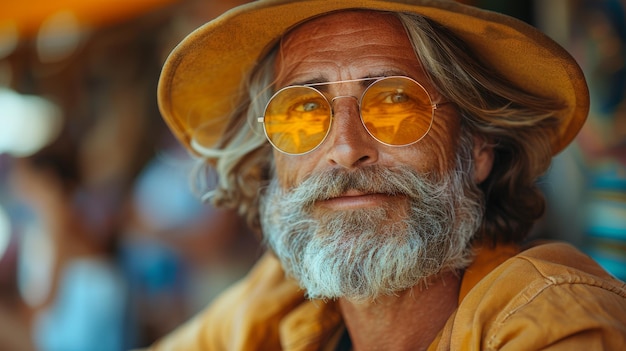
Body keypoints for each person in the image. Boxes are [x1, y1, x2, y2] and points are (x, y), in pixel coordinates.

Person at [151, 0, 626, 349]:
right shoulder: (275, 305)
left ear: (478, 147)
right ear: (270, 161)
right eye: (302, 112)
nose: (345, 150)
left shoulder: (554, 323)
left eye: (396, 103)